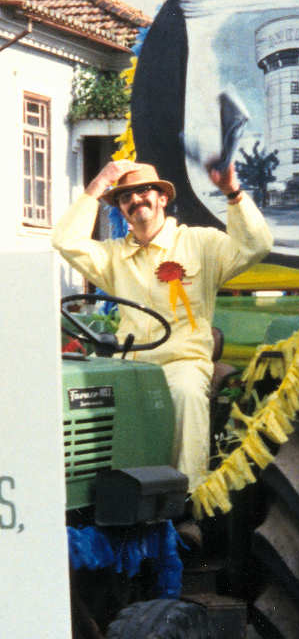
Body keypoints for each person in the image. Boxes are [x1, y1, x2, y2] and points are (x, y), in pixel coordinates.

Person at [52, 160, 273, 490]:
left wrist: (233, 193)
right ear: (121, 209)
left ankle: (186, 498)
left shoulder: (200, 244)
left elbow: (257, 246)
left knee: (185, 394)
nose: (135, 200)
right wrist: (100, 182)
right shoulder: (113, 256)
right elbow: (64, 241)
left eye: (144, 191)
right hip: (128, 365)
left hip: (181, 362)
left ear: (162, 198)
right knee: (80, 395)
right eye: (125, 196)